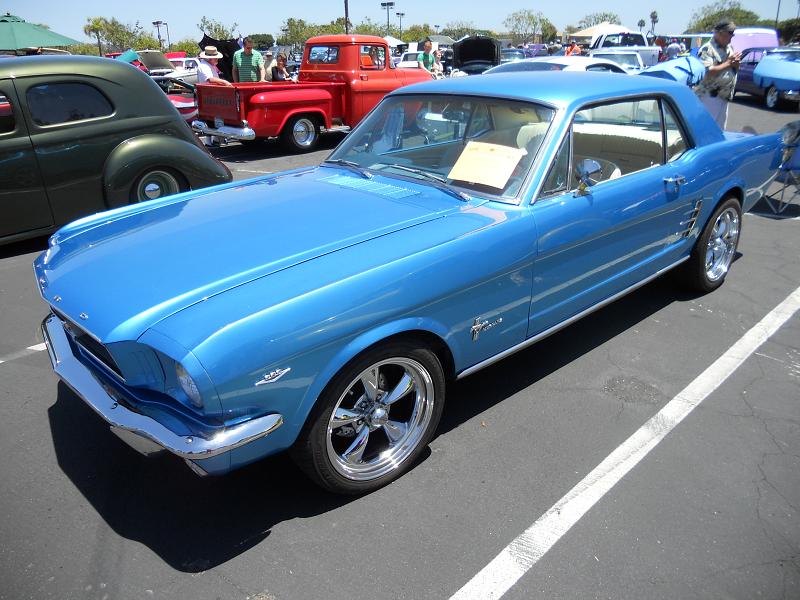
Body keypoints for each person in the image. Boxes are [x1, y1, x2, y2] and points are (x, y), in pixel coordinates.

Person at [694, 20, 741, 129]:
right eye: (729, 33)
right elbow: (707, 71)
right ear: (719, 33)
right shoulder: (707, 49)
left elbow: (733, 69)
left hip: (724, 95)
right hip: (710, 96)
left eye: (732, 34)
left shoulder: (729, 48)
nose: (731, 37)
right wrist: (728, 63)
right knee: (707, 129)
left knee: (720, 131)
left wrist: (736, 64)